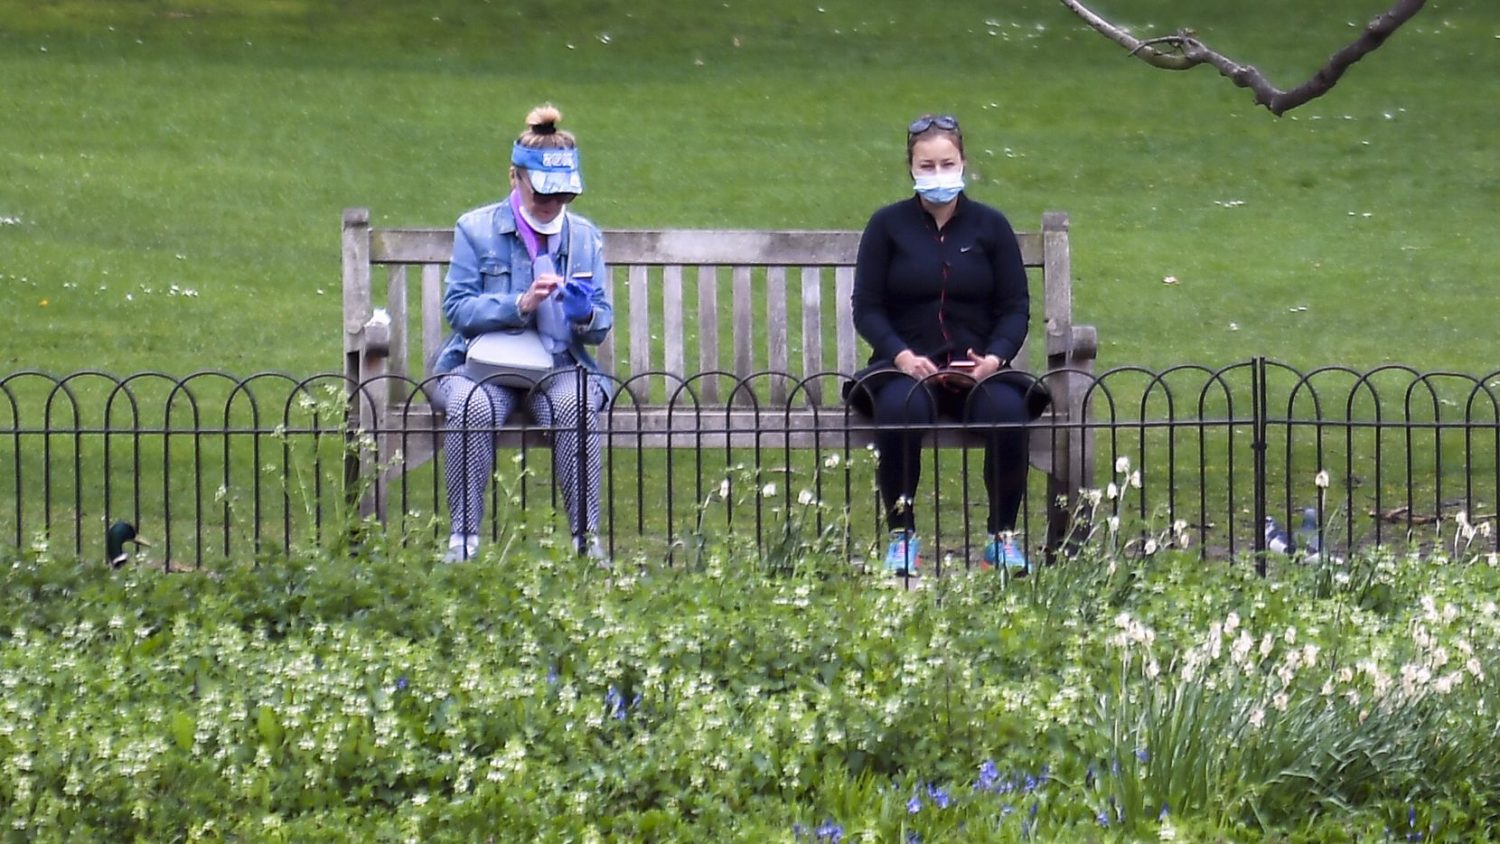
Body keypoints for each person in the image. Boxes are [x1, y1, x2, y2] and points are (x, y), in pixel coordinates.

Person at [847, 113, 1043, 577]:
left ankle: (1001, 539)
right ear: (911, 169)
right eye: (927, 166)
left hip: (978, 370)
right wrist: (901, 355)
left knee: (1008, 413)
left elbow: (1015, 307)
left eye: (947, 164)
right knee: (901, 410)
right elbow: (867, 307)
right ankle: (903, 538)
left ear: (963, 164)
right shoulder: (886, 226)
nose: (938, 175)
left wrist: (994, 358)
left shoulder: (991, 227)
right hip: (906, 368)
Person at [429, 104, 613, 563]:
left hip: (558, 365)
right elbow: (458, 309)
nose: (552, 204)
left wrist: (585, 314)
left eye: (563, 195)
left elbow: (600, 325)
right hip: (483, 365)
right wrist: (520, 304)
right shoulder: (476, 229)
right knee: (471, 406)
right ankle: (464, 542)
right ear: (515, 178)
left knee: (576, 405)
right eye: (543, 193)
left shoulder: (584, 237)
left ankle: (586, 544)